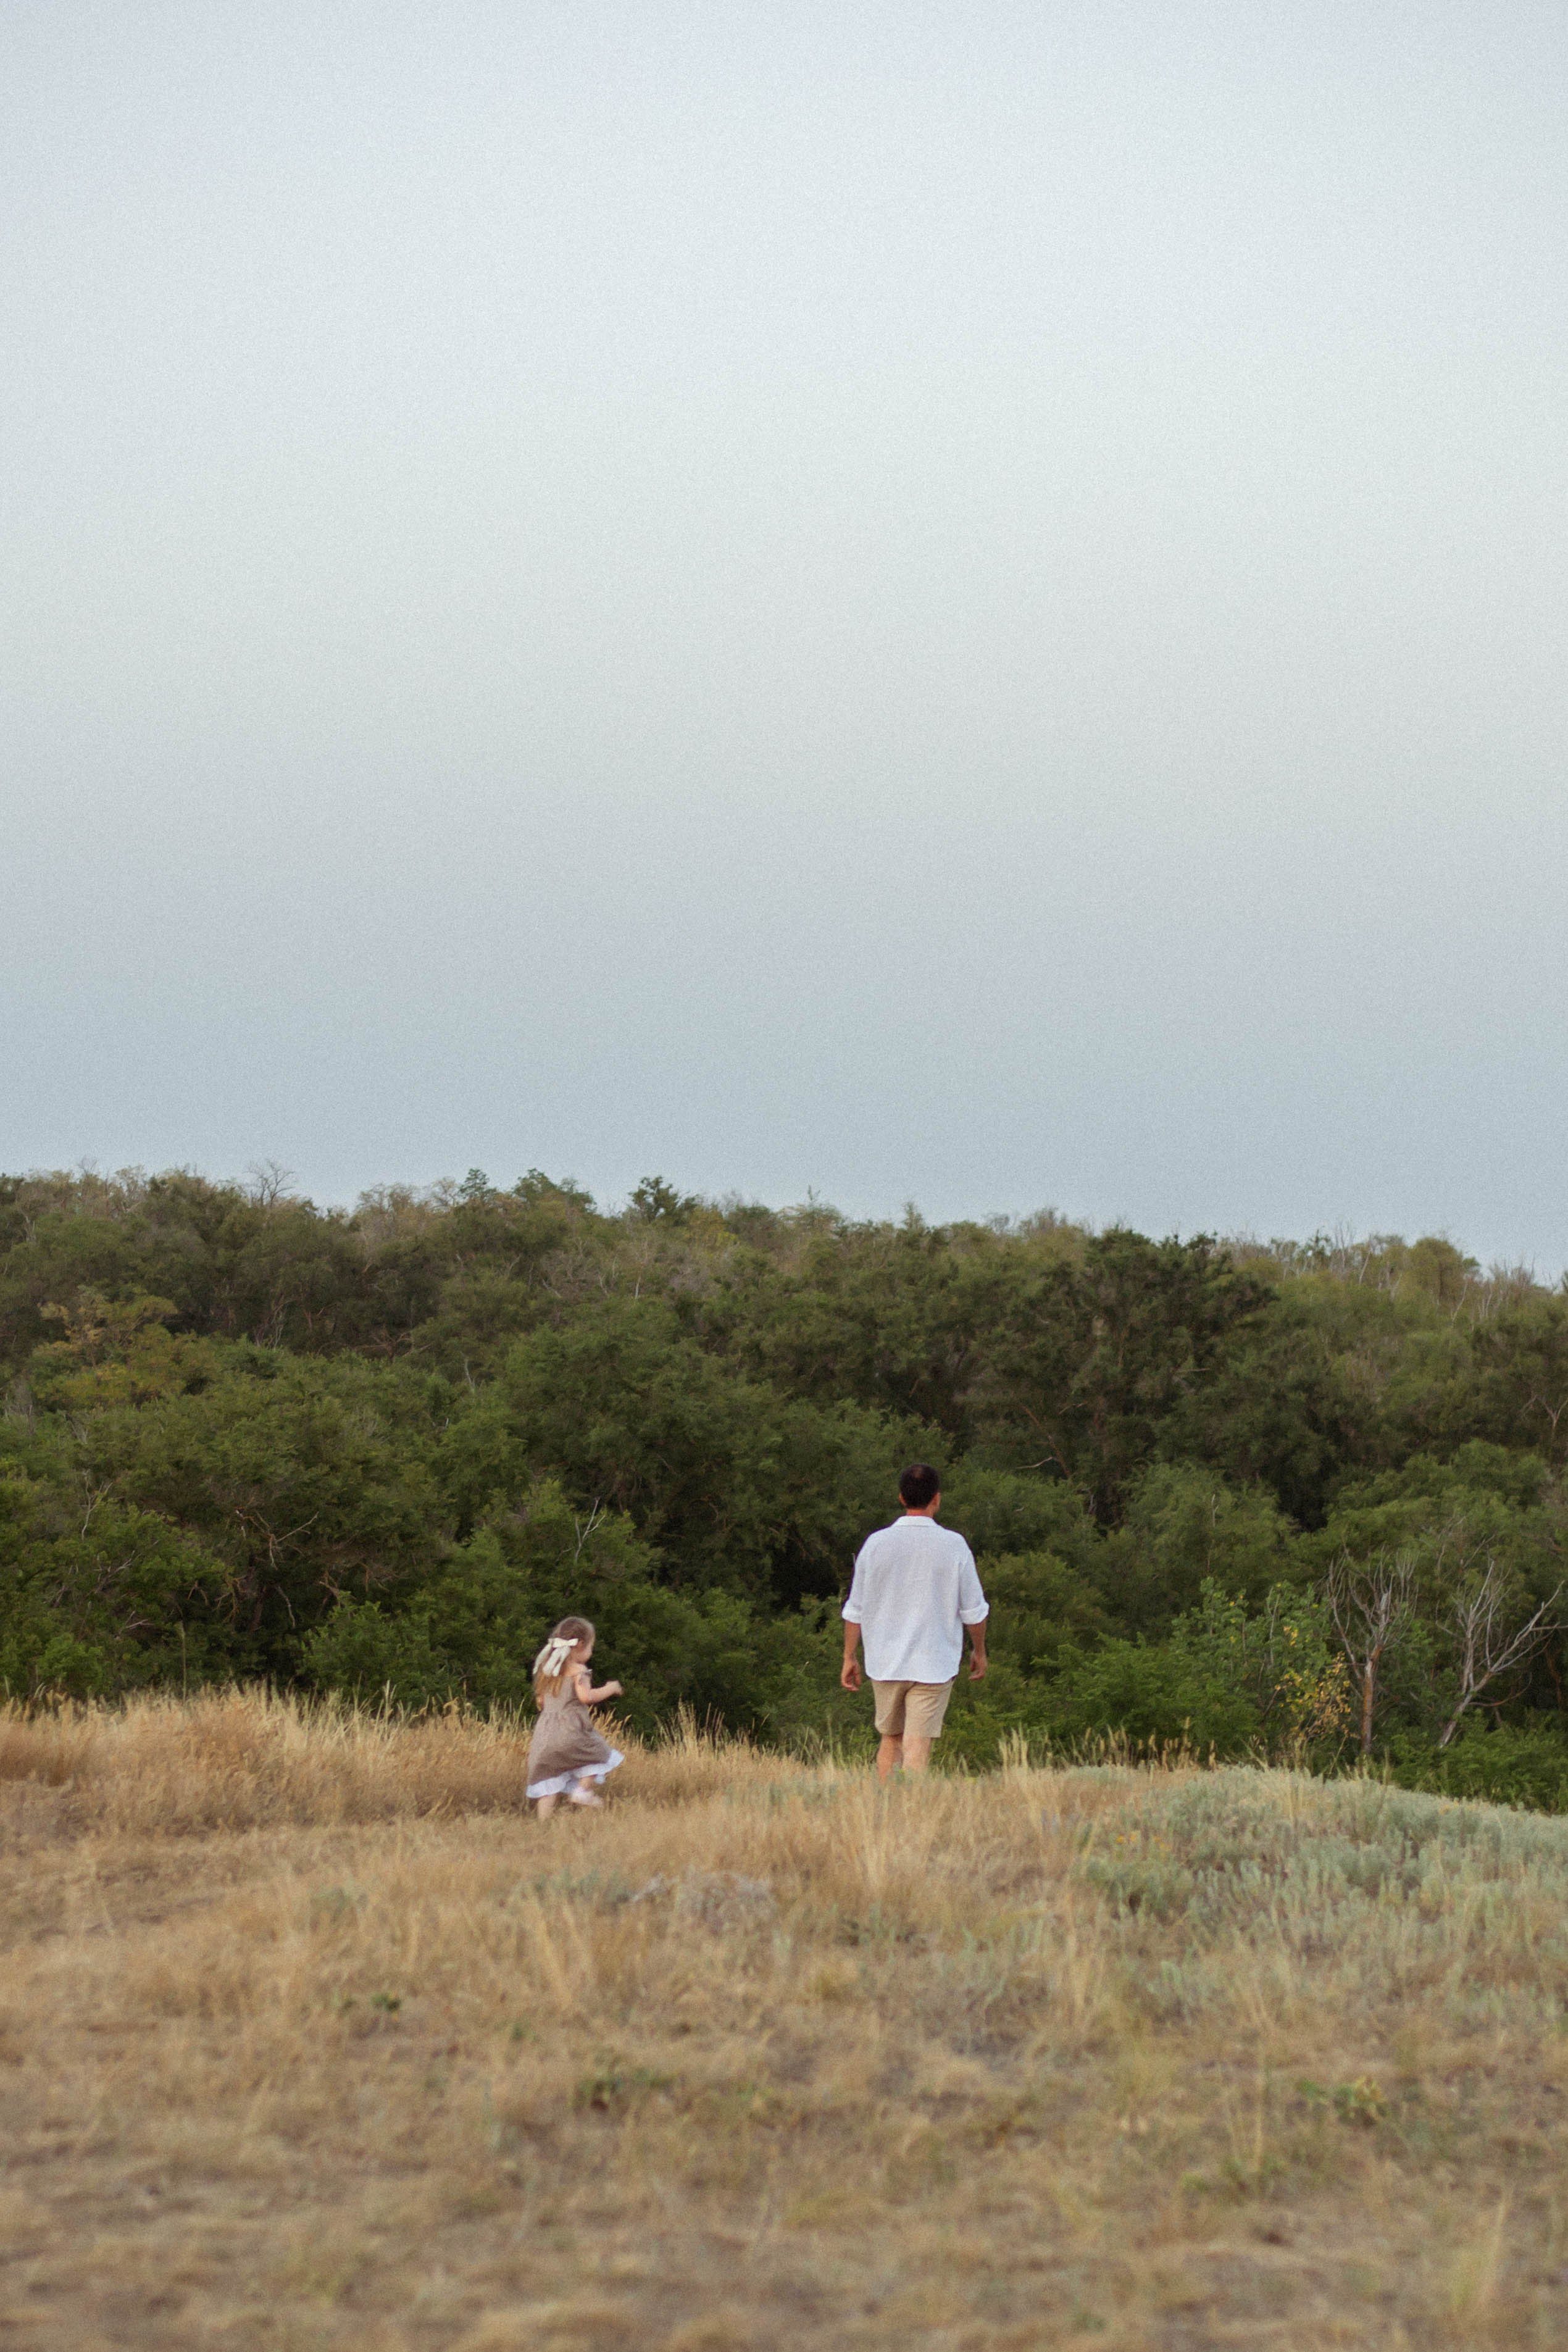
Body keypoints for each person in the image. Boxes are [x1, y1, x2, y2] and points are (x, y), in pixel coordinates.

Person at [841, 1464, 988, 1780]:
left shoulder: (876, 1544)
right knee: (917, 1744)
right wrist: (979, 1651)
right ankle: (910, 1815)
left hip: (886, 1662)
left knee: (891, 1740)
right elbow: (974, 1611)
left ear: (900, 1497)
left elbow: (856, 1609)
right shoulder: (954, 1545)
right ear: (937, 1499)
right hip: (934, 1664)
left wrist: (849, 1656)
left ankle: (883, 1810)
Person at [525, 1617, 625, 1816]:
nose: (591, 1652)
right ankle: (582, 1791)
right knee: (599, 1755)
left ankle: (543, 1825)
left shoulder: (548, 1672)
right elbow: (586, 1696)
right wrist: (610, 1688)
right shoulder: (579, 1671)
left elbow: (541, 1702)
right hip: (571, 1731)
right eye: (591, 1647)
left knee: (548, 1783)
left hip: (545, 1737)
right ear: (580, 1645)